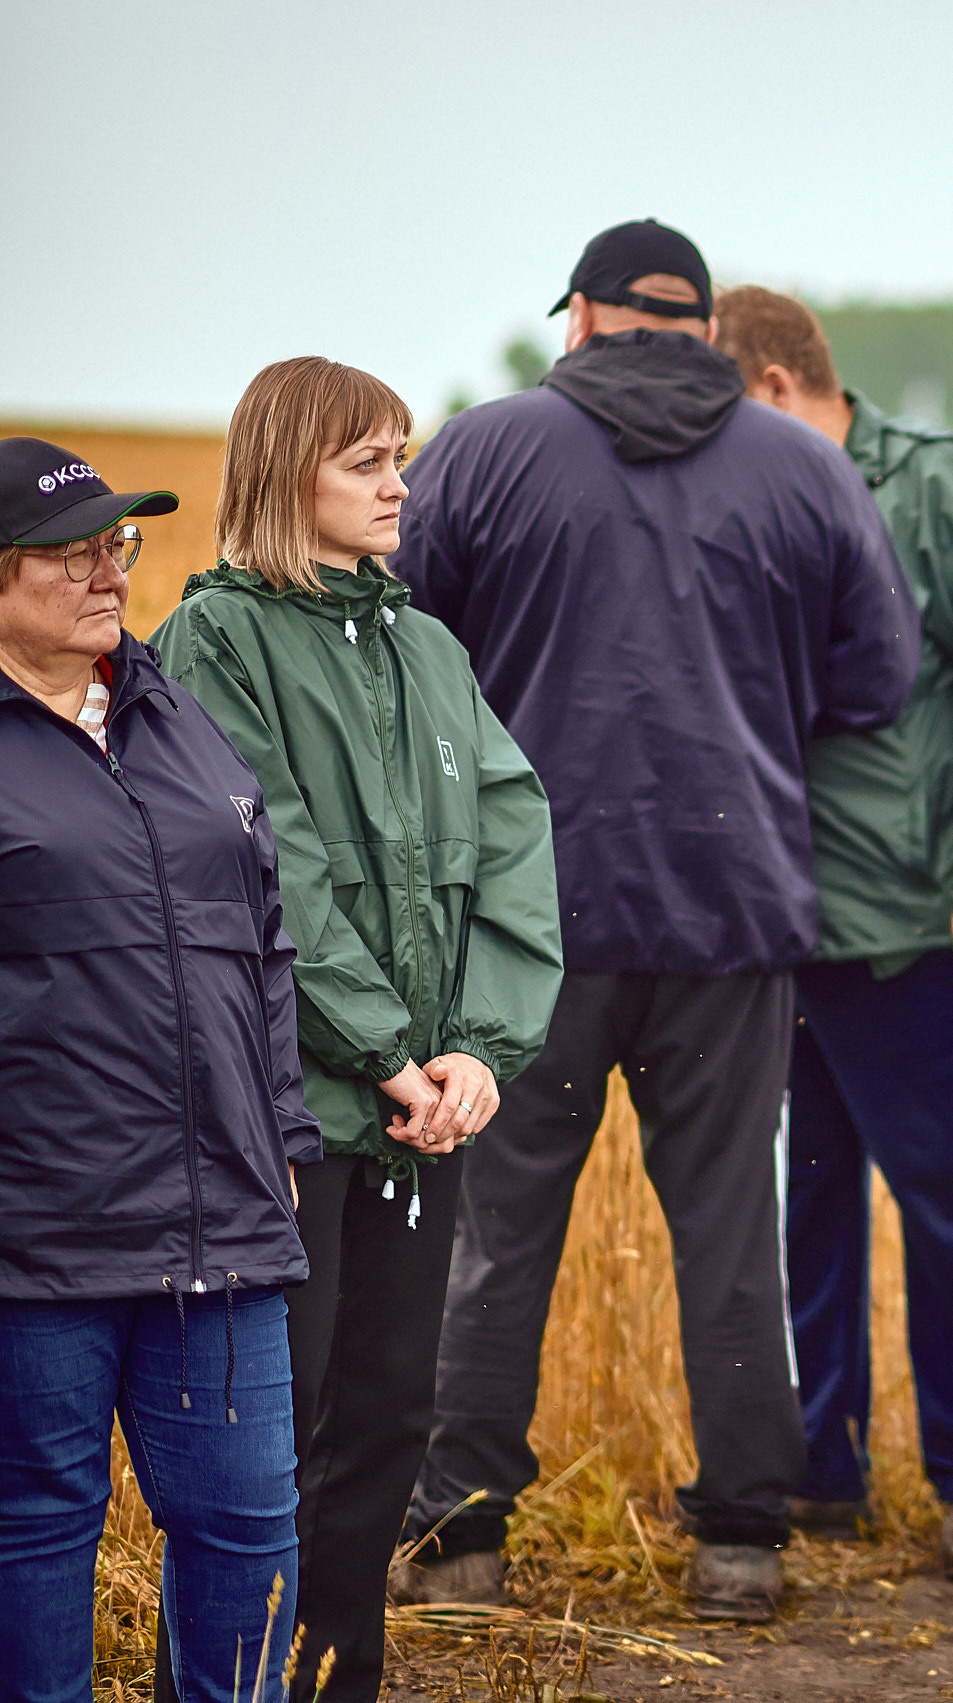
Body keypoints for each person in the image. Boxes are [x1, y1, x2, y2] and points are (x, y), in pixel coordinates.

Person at [391, 220, 920, 1622]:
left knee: (496, 1229)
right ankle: (744, 1538)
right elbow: (880, 673)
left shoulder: (486, 448)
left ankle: (459, 1538)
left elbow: (400, 646)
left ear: (581, 318)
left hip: (525, 922)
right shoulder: (804, 463)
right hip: (733, 911)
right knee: (731, 1229)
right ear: (702, 327)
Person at [150, 359, 564, 1702]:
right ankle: (233, 1681)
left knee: (388, 1410)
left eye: (403, 455)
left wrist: (478, 1054)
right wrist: (386, 1051)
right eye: (366, 461)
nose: (401, 484)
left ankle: (340, 1679)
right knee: (276, 1420)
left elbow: (514, 835)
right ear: (285, 475)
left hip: (419, 1110)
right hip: (290, 1110)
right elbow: (271, 863)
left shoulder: (424, 645)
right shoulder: (216, 640)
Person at [710, 286, 953, 1579]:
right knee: (800, 1216)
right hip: (774, 928)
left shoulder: (938, 488)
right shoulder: (730, 494)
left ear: (782, 388)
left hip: (928, 923)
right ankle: (818, 1472)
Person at [0, 440, 317, 1701]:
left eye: (117, 544)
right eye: (72, 551)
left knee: (250, 1533)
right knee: (35, 1528)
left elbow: (267, 938)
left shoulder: (170, 711)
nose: (106, 571)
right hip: (40, 1233)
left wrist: (281, 1131)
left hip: (222, 1220)